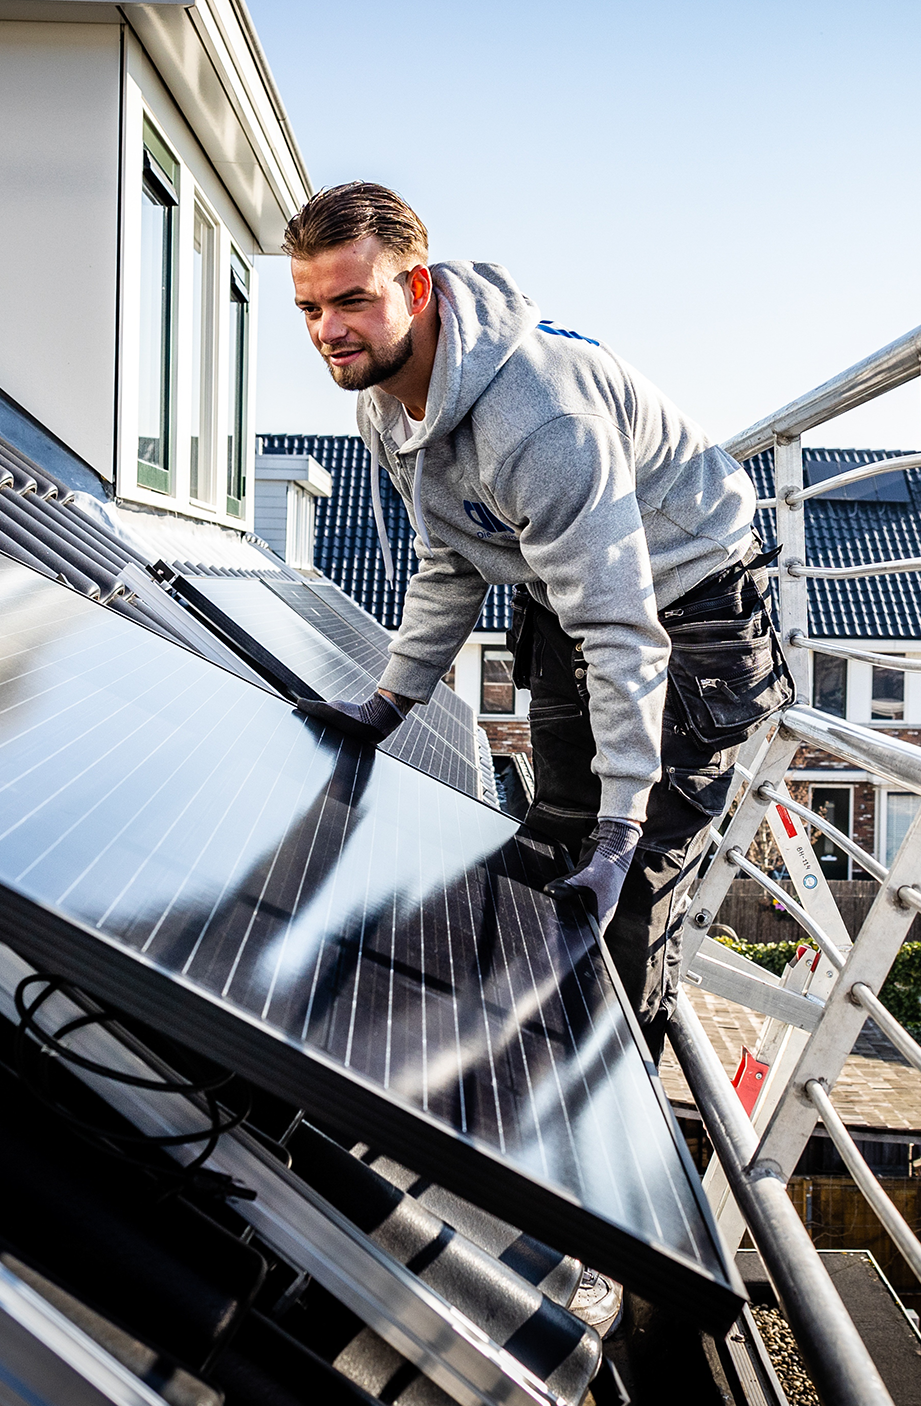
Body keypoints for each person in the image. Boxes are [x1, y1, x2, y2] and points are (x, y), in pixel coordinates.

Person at [286, 182, 789, 1045]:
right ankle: (506, 1068)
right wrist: (388, 703)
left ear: (415, 290)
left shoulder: (542, 420)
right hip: (568, 594)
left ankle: (601, 1130)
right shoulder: (388, 397)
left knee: (619, 885)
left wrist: (623, 822)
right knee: (554, 835)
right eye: (310, 307)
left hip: (688, 612)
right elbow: (451, 557)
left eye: (352, 300)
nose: (329, 329)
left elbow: (625, 629)